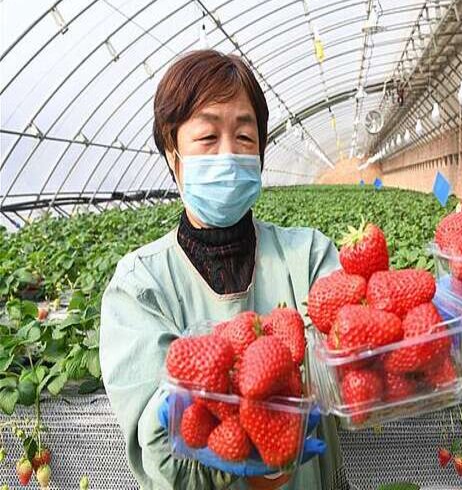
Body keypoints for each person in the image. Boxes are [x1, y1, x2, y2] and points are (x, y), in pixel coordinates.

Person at [100, 50, 341, 490]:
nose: (229, 153)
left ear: (261, 154)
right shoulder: (140, 285)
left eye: (245, 137)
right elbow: (157, 444)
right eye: (208, 137)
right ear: (173, 153)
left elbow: (343, 367)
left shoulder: (308, 255)